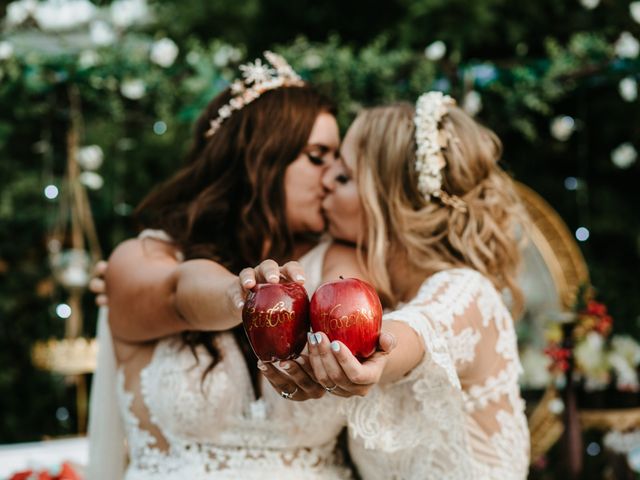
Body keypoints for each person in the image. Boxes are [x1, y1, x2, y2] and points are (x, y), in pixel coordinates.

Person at [87, 51, 374, 480]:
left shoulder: (341, 264)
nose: (334, 176)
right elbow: (182, 294)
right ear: (258, 157)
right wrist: (245, 297)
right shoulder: (143, 259)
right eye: (318, 156)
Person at [257, 93, 530, 479]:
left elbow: (418, 333)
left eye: (346, 177)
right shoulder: (363, 290)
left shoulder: (468, 292)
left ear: (389, 203)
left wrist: (372, 359)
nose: (327, 182)